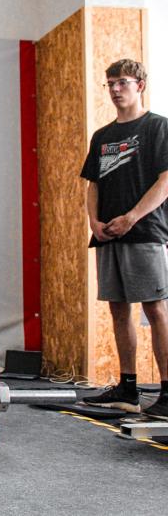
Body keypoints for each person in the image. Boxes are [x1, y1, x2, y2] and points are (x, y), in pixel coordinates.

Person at [80, 59, 168, 419]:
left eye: (123, 82)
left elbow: (165, 181)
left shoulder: (158, 127)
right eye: (111, 83)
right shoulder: (102, 137)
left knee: (155, 309)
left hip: (144, 232)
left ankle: (167, 393)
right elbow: (93, 184)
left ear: (140, 85)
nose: (116, 89)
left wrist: (132, 217)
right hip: (107, 235)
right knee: (118, 309)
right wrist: (94, 222)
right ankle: (128, 389)